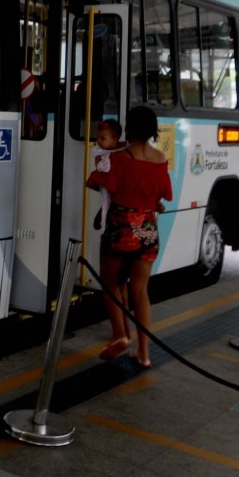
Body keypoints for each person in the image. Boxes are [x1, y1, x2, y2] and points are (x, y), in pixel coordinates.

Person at [87, 105, 171, 368]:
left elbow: (99, 183)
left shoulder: (120, 158)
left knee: (111, 282)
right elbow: (162, 194)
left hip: (121, 227)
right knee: (141, 291)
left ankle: (121, 334)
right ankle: (144, 354)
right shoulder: (160, 159)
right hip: (147, 228)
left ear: (130, 128)